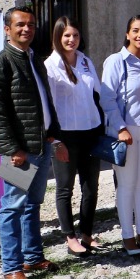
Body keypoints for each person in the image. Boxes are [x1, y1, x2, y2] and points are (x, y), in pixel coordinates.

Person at [0, 7, 67, 279]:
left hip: (41, 146)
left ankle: (32, 257)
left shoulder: (34, 60)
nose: (26, 29)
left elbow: (45, 103)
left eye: (31, 24)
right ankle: (12, 268)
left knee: (33, 205)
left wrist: (54, 136)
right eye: (20, 24)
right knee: (12, 207)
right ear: (7, 29)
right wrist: (12, 149)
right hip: (19, 153)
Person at [45, 17, 111, 256]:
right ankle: (70, 237)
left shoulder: (85, 61)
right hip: (66, 135)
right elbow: (49, 104)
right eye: (66, 36)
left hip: (91, 131)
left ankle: (86, 234)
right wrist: (54, 139)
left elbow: (97, 94)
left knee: (90, 187)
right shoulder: (50, 66)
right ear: (58, 37)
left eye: (75, 35)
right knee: (65, 188)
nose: (71, 40)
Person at [102, 15, 140, 256]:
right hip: (124, 132)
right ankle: (127, 235)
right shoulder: (116, 61)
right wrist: (120, 128)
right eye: (135, 30)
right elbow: (107, 98)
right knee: (126, 185)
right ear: (127, 34)